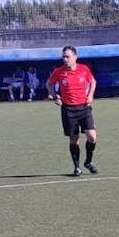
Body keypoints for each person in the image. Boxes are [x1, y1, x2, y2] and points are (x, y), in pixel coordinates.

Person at [46, 46, 99, 177]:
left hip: (84, 107)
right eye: (63, 57)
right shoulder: (59, 71)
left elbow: (93, 81)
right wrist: (54, 96)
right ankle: (77, 167)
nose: (65, 59)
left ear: (75, 57)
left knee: (92, 137)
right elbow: (49, 84)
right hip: (69, 109)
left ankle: (89, 161)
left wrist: (90, 95)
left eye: (67, 56)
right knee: (74, 140)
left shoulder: (83, 69)